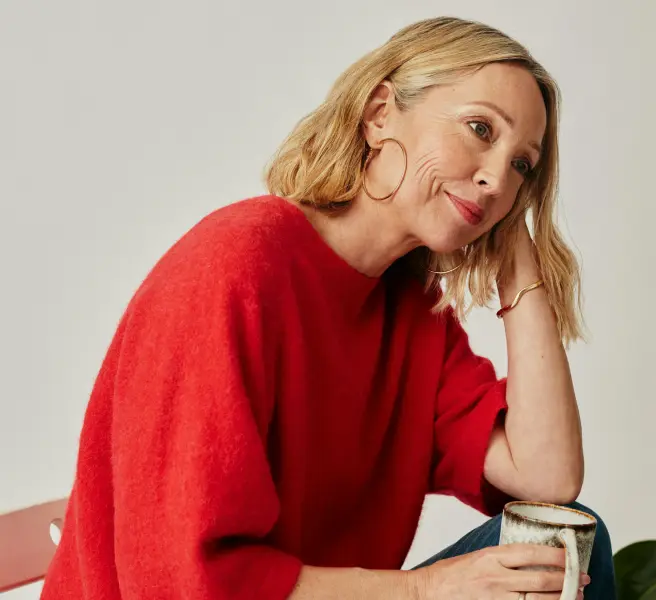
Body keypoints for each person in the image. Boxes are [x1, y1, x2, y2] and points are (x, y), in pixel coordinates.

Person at [42, 16, 616, 600]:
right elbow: (181, 582)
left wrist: (521, 267)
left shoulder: (412, 316)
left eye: (522, 165)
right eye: (479, 128)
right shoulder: (236, 267)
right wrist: (421, 591)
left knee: (563, 550)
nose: (496, 178)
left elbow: (546, 477)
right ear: (379, 114)